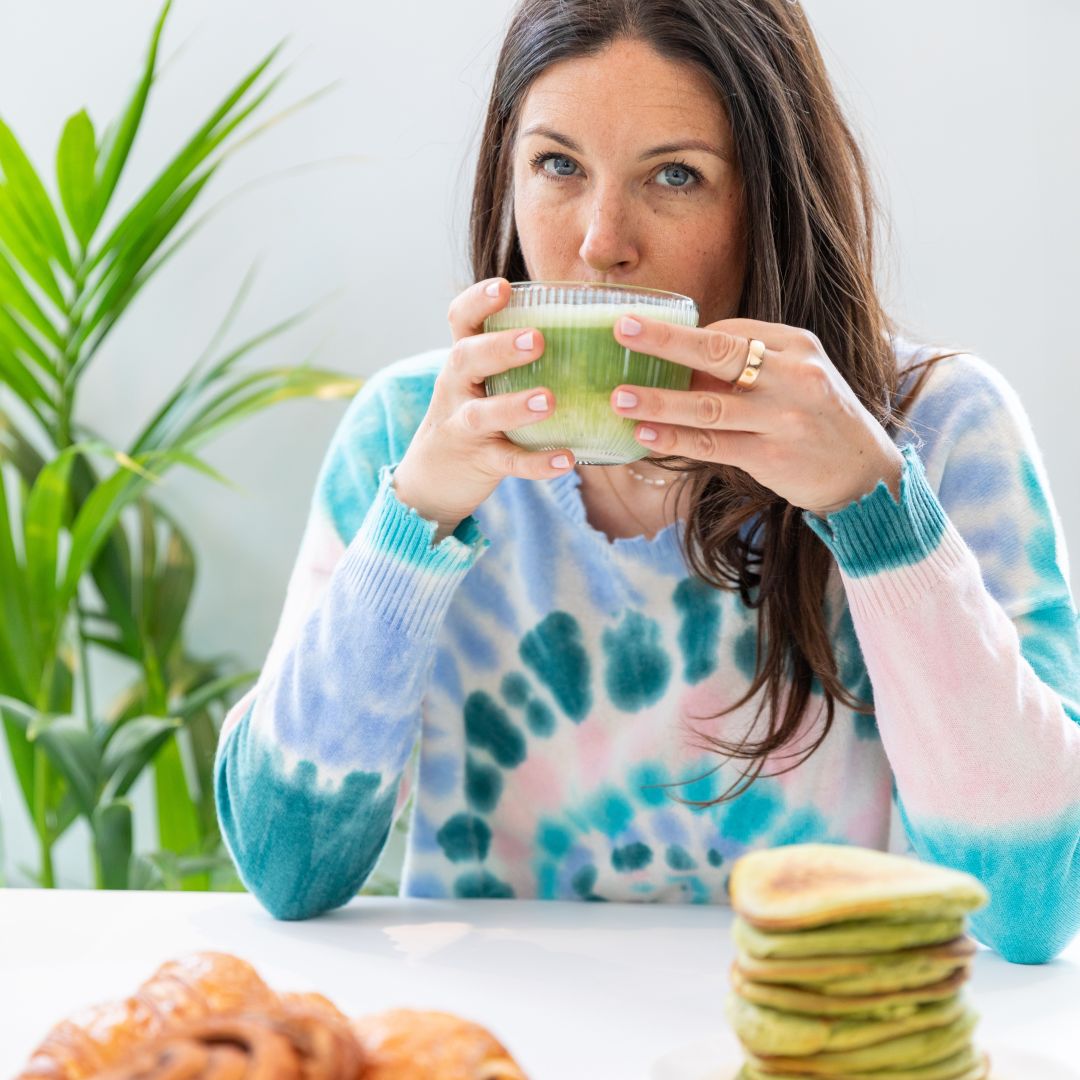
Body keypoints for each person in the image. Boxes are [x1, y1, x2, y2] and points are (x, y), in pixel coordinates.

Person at [214, 0, 1080, 964]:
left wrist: (872, 509)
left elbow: (1033, 907)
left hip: (806, 1045)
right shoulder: (411, 432)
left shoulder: (937, 425)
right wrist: (415, 516)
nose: (601, 242)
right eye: (557, 165)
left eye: (676, 175)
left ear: (770, 196)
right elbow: (287, 871)